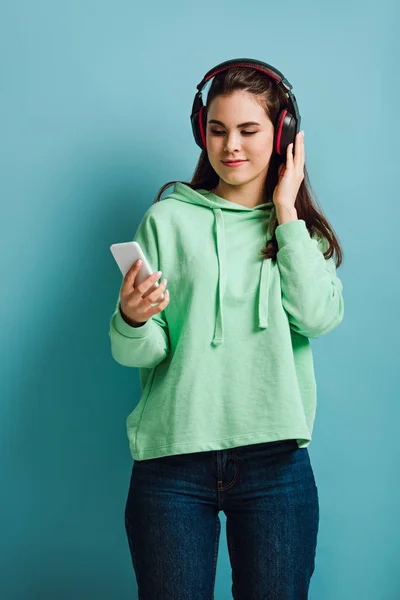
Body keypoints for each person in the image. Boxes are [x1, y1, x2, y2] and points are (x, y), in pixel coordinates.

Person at [108, 58, 344, 599]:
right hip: (171, 461)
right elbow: (141, 352)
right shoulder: (166, 220)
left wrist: (285, 211)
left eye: (248, 130)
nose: (230, 145)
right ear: (201, 132)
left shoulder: (299, 233)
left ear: (282, 133)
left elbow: (318, 317)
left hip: (276, 463)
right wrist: (133, 319)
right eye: (217, 129)